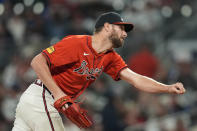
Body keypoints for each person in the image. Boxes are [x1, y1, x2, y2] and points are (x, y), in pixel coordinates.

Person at [12, 12, 186, 131]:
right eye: (121, 28)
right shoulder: (77, 43)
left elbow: (136, 79)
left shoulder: (110, 57)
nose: (125, 34)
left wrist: (167, 88)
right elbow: (37, 61)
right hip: (41, 96)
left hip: (42, 102)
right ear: (108, 27)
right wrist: (58, 94)